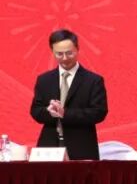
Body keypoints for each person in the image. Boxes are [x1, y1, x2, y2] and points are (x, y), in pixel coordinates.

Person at [29, 29, 108, 160]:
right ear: (52, 51)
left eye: (69, 53)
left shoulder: (93, 80)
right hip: (49, 146)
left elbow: (99, 112)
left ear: (77, 49)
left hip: (82, 146)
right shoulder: (44, 80)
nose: (65, 58)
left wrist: (65, 113)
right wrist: (49, 112)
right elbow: (35, 111)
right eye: (59, 54)